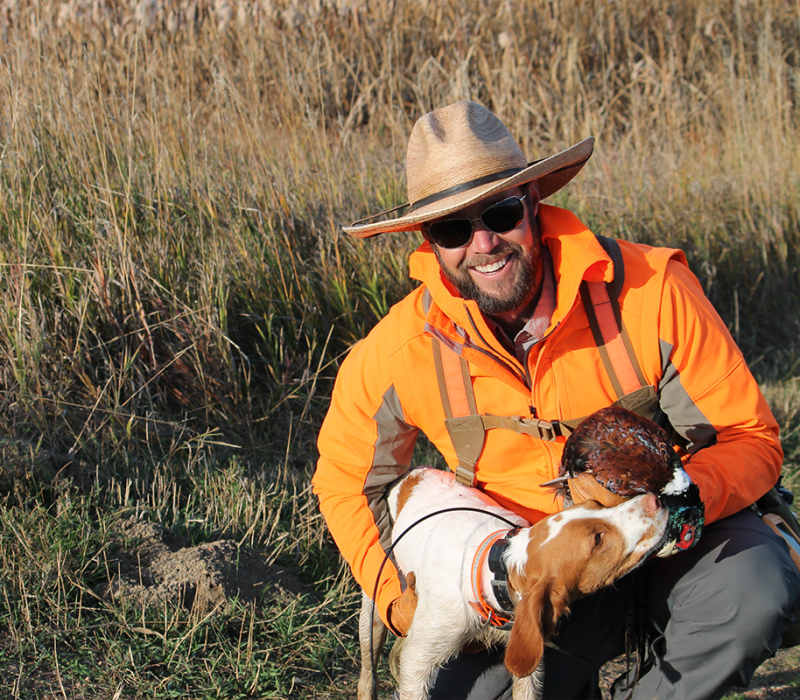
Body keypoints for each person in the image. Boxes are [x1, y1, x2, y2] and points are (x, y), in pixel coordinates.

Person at [312, 101, 800, 699]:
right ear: (428, 242)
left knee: (750, 593)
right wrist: (395, 599)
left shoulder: (654, 291)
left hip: (674, 542)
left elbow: (750, 439)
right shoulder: (398, 348)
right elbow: (343, 480)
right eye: (452, 229)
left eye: (500, 212)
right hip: (531, 580)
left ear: (534, 201)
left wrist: (672, 508)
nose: (484, 242)